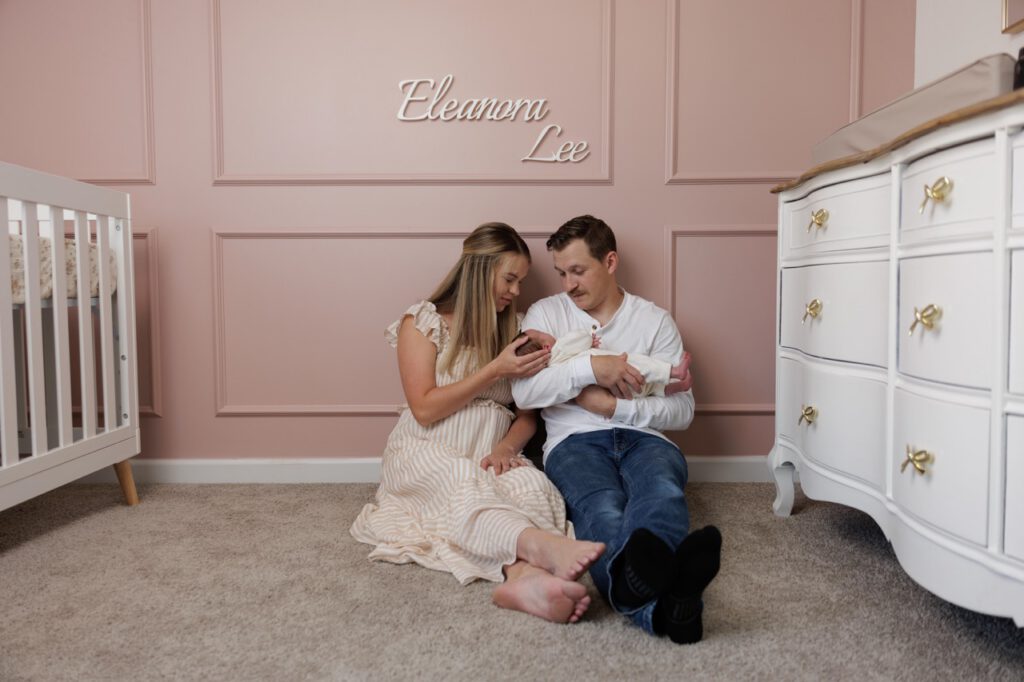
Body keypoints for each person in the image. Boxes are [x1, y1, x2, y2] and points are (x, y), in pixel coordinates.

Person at [350, 222, 605, 624]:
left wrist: (506, 449)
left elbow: (527, 415)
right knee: (461, 484)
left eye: (520, 281)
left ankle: (521, 578)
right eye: (509, 279)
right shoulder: (423, 322)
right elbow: (425, 408)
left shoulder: (514, 328)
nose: (516, 291)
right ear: (478, 269)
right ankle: (539, 549)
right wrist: (494, 369)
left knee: (531, 487)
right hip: (425, 448)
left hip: (489, 453)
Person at [511, 215, 722, 644]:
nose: (568, 284)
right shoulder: (545, 314)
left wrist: (612, 407)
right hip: (573, 444)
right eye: (561, 273)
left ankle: (638, 593)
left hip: (647, 440)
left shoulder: (654, 321)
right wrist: (591, 366)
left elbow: (681, 410)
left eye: (578, 270)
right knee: (602, 508)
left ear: (609, 261)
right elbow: (526, 393)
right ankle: (672, 605)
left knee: (659, 492)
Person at [518, 328, 693, 398]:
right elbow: (576, 339)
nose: (547, 332)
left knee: (648, 390)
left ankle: (677, 387)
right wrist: (588, 338)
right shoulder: (559, 349)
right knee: (640, 364)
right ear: (546, 347)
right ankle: (674, 372)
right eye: (542, 334)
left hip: (617, 391)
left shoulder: (552, 369)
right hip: (620, 370)